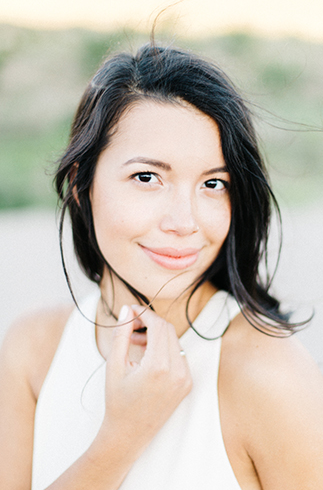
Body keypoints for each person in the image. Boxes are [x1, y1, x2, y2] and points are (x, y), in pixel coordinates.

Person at [1, 42, 323, 490]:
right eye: (147, 177)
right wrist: (121, 438)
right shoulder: (33, 350)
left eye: (213, 183)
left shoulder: (270, 373)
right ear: (80, 183)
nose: (184, 222)